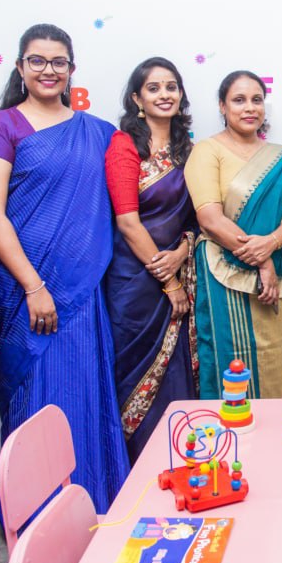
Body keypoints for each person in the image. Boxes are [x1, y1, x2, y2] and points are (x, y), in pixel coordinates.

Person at [0, 24, 130, 508]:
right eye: (37, 60)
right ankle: (34, 511)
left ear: (71, 70)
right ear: (20, 67)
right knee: (35, 399)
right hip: (27, 292)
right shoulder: (1, 127)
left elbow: (122, 206)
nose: (47, 70)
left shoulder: (99, 133)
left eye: (58, 61)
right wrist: (34, 285)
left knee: (81, 394)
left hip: (82, 294)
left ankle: (90, 503)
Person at [184, 71, 282, 399]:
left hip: (273, 271)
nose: (249, 107)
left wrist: (271, 244)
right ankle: (231, 443)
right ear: (223, 106)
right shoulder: (207, 151)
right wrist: (263, 262)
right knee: (230, 360)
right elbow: (209, 218)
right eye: (239, 100)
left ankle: (269, 443)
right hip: (225, 270)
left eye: (256, 100)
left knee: (271, 358)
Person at [105, 58, 199, 460]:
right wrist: (169, 282)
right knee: (134, 372)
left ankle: (178, 461)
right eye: (155, 88)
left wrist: (182, 251)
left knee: (177, 371)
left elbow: (196, 219)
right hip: (134, 282)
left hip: (175, 268)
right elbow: (127, 221)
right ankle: (137, 469)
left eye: (172, 86)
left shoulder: (190, 150)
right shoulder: (125, 146)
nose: (165, 95)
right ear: (137, 99)